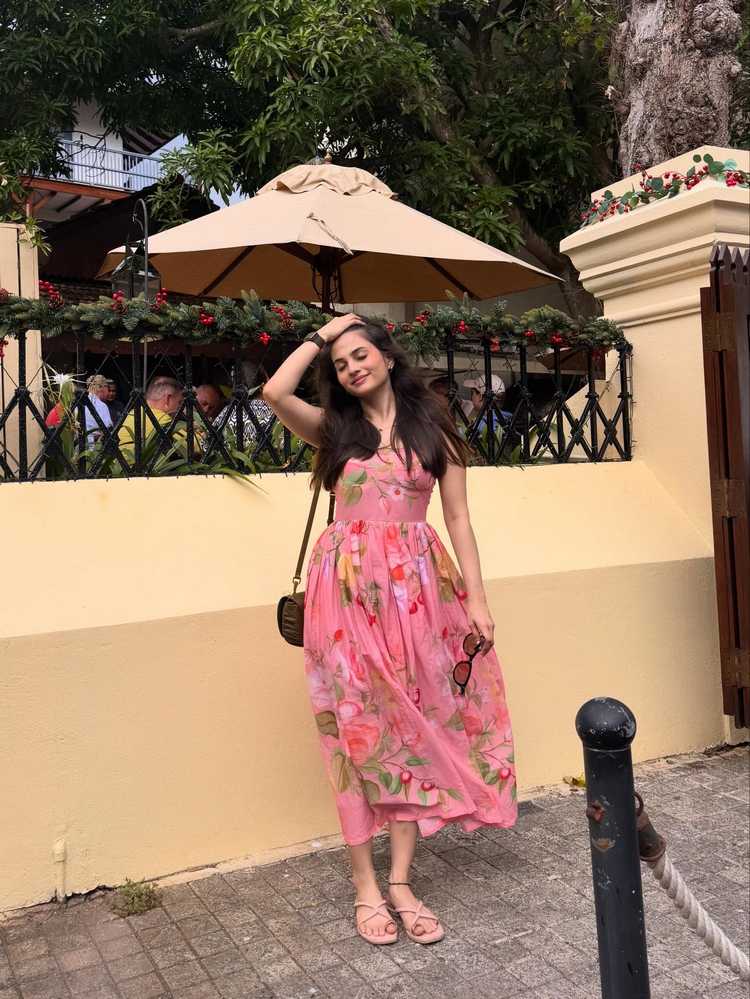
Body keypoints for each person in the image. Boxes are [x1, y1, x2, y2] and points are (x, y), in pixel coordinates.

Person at [263, 315, 516, 947]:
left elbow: (458, 518)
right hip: (342, 596)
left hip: (417, 595)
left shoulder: (434, 429)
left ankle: (400, 881)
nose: (352, 367)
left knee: (408, 724)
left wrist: (478, 600)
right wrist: (323, 335)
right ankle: (365, 885)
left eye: (360, 354)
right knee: (351, 731)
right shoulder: (334, 429)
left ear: (387, 357)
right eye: (341, 363)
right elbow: (274, 391)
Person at [118, 376, 186, 462]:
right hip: (141, 469)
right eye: (179, 402)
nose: (181, 408)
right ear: (168, 399)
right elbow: (191, 445)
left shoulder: (133, 413)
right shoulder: (162, 419)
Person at [463, 373, 513, 437]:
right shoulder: (509, 419)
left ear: (480, 396)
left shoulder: (479, 426)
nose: (471, 397)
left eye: (472, 393)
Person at [84, 375, 113, 442]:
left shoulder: (79, 403)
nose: (108, 392)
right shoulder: (102, 406)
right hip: (95, 445)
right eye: (107, 388)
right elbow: (109, 430)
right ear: (101, 388)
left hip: (78, 445)